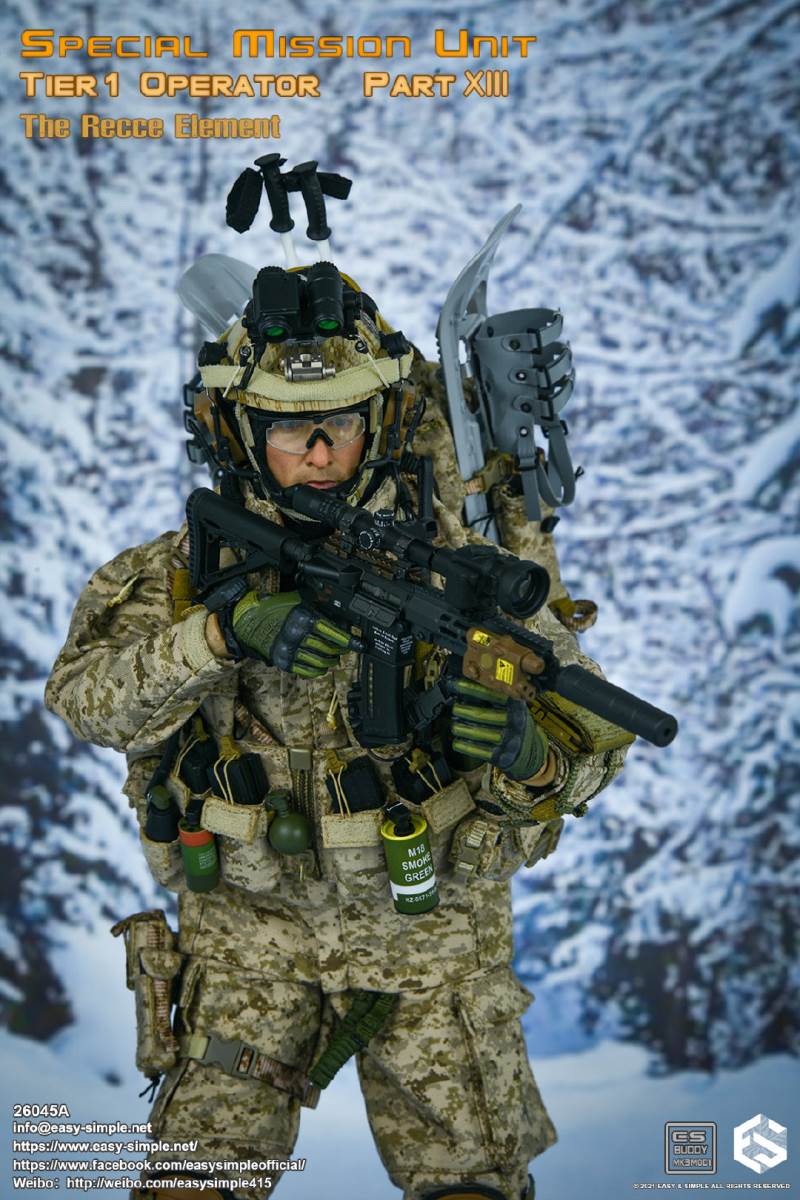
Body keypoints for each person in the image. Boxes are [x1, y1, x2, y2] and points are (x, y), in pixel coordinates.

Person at [45, 262, 628, 1200]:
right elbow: (85, 702)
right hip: (247, 942)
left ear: (381, 426)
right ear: (240, 433)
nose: (318, 453)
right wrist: (217, 636)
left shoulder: (464, 571)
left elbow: (593, 735)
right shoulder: (182, 572)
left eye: (341, 425)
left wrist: (527, 755)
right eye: (288, 429)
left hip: (432, 939)